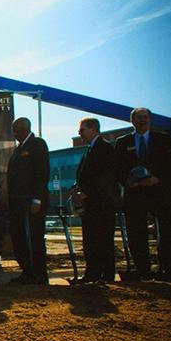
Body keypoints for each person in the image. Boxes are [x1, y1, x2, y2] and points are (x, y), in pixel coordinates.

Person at [114, 107, 171, 281]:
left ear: (150, 120)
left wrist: (157, 178)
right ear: (132, 121)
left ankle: (167, 268)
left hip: (159, 192)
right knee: (136, 233)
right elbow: (117, 167)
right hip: (134, 194)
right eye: (138, 118)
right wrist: (127, 181)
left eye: (145, 117)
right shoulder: (122, 142)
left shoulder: (163, 140)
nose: (142, 120)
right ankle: (143, 270)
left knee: (166, 231)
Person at [72, 117, 118, 283]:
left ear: (93, 129)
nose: (79, 133)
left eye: (82, 130)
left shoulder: (104, 148)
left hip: (102, 204)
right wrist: (77, 189)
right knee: (91, 240)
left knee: (103, 239)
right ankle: (93, 273)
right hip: (91, 204)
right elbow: (85, 176)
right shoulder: (90, 150)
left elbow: (106, 176)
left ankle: (106, 275)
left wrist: (87, 193)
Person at [7, 117, 50, 285]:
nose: (14, 133)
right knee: (20, 239)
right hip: (18, 202)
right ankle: (27, 271)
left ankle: (39, 275)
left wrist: (37, 199)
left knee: (34, 239)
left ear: (25, 128)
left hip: (31, 202)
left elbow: (42, 172)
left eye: (16, 129)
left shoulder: (37, 144)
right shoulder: (19, 149)